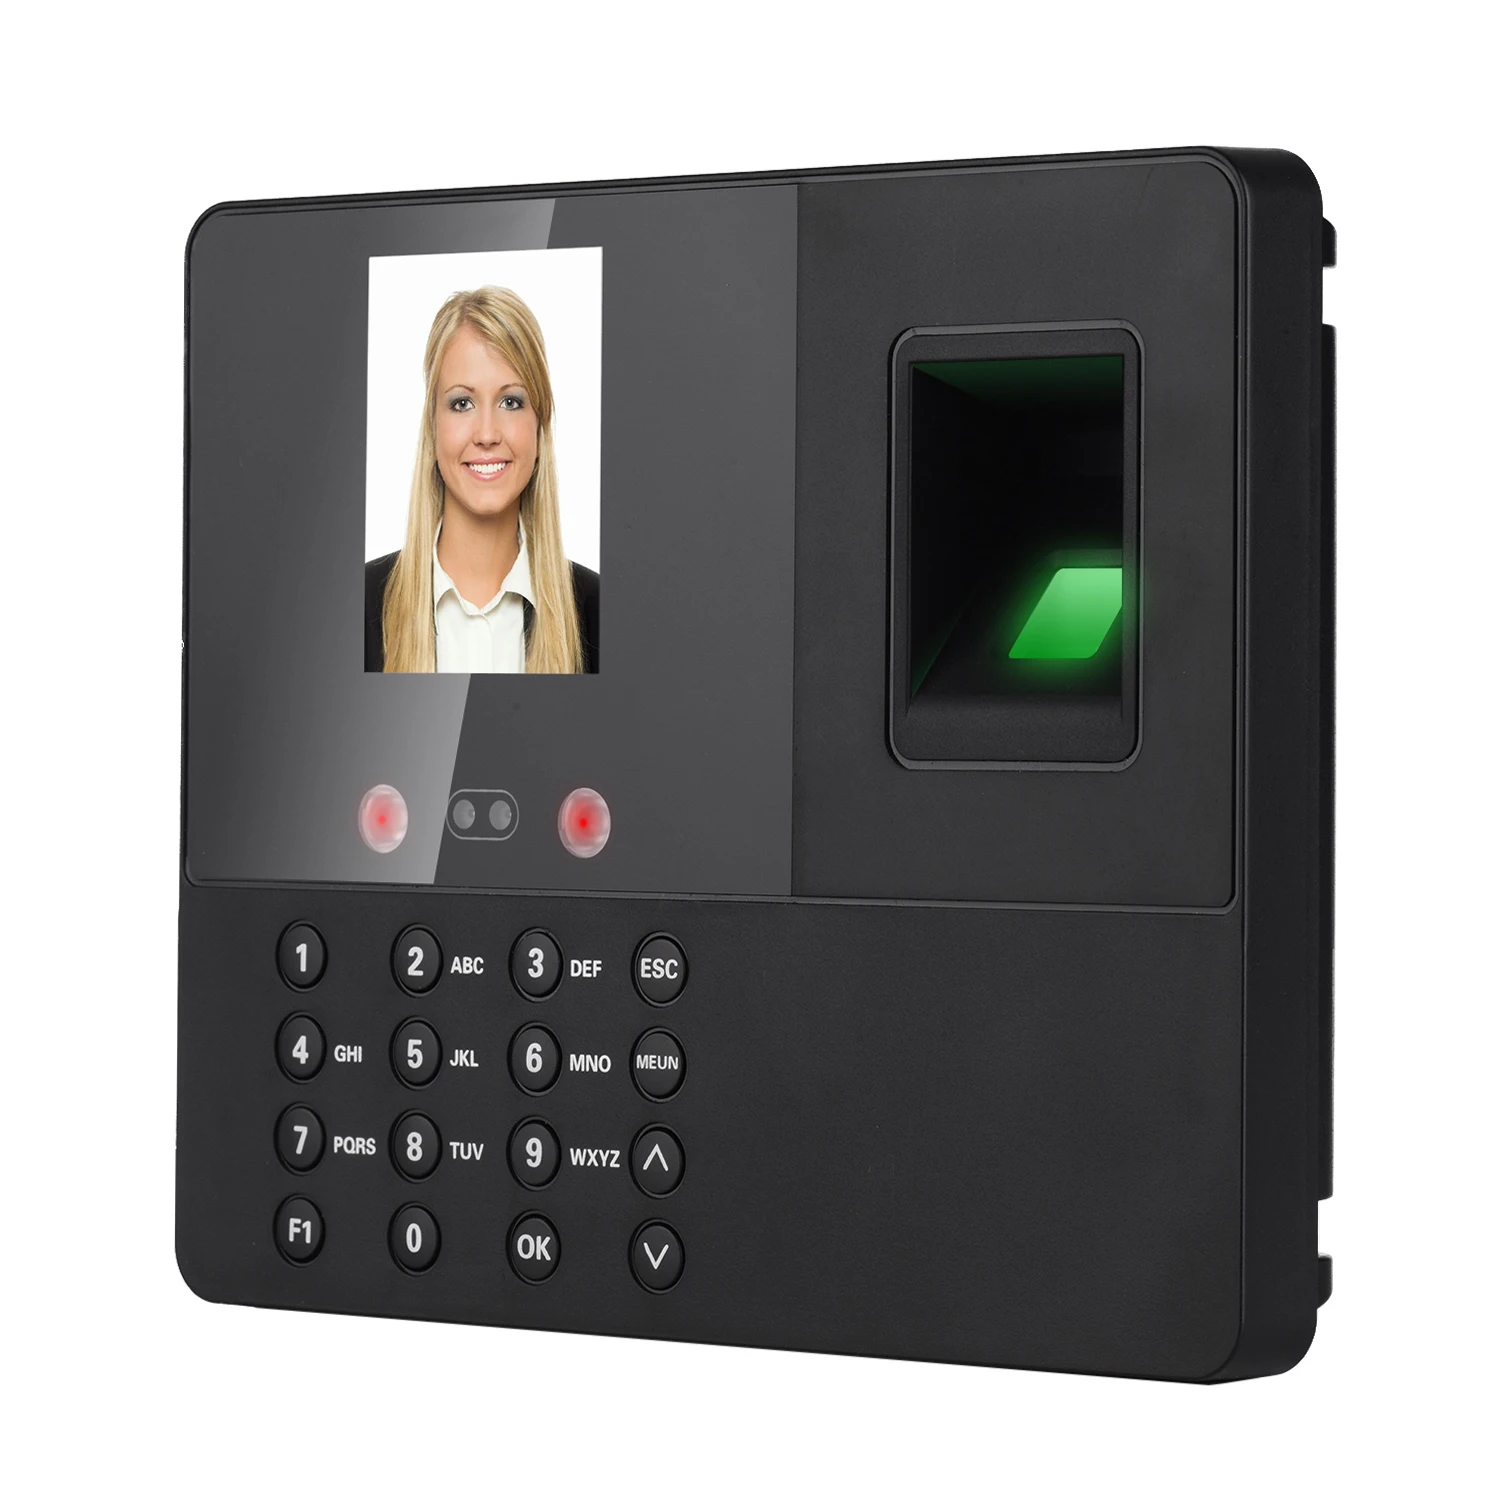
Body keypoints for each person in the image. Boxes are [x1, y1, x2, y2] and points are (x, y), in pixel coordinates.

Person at [366, 285, 599, 672]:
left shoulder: (599, 612)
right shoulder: (355, 607)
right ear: (432, 427)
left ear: (539, 427)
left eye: (511, 402)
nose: (487, 434)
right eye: (462, 403)